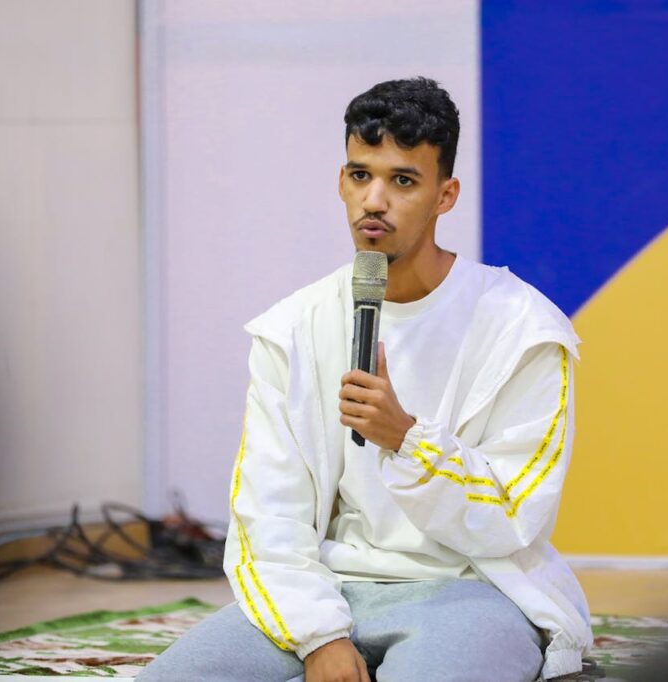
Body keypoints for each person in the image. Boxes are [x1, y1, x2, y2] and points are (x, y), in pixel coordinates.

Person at [138, 77, 591, 682]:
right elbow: (267, 513)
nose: (374, 200)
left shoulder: (524, 329)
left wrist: (406, 439)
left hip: (473, 589)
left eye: (402, 180)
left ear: (445, 195)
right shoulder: (294, 326)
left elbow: (513, 515)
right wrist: (318, 636)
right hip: (330, 584)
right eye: (360, 175)